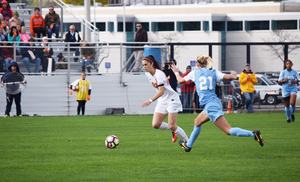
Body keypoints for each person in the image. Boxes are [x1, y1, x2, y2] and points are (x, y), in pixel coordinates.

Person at [171, 55, 264, 152]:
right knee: (197, 122)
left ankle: (253, 134)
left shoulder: (195, 73)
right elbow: (229, 77)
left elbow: (180, 80)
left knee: (228, 130)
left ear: (197, 64)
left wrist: (176, 72)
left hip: (211, 105)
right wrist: (233, 75)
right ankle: (188, 146)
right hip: (213, 103)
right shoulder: (214, 72)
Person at [141, 55, 189, 144]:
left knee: (172, 125)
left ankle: (188, 142)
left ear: (152, 64)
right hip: (162, 101)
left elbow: (161, 92)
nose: (144, 67)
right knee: (155, 124)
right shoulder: (147, 74)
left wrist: (150, 101)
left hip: (172, 100)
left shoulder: (159, 74)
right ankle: (173, 131)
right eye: (143, 65)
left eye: (146, 64)